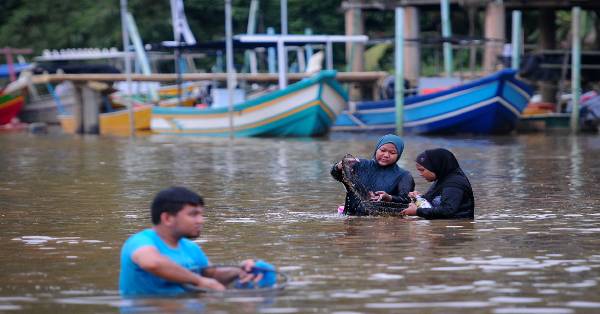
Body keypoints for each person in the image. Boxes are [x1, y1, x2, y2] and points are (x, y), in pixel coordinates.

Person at [119, 186, 265, 296]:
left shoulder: (191, 248)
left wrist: (241, 271)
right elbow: (152, 263)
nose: (201, 220)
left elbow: (212, 276)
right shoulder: (140, 241)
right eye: (193, 215)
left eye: (201, 214)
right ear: (167, 218)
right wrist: (198, 281)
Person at [331, 134, 415, 215]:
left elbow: (406, 201)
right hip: (351, 218)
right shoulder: (359, 164)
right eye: (382, 150)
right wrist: (339, 166)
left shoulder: (404, 176)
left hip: (380, 224)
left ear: (399, 155)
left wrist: (389, 197)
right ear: (376, 149)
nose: (386, 155)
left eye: (392, 153)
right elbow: (337, 176)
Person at [401, 148, 474, 219]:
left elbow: (447, 210)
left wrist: (417, 212)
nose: (420, 174)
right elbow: (429, 201)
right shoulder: (442, 180)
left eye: (422, 170)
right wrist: (417, 198)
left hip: (455, 227)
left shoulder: (454, 183)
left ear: (435, 166)